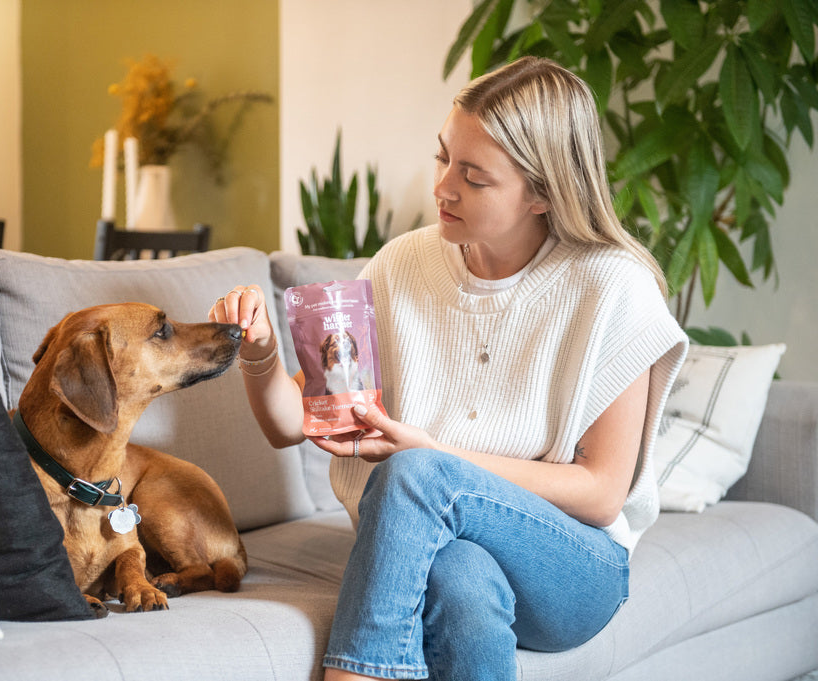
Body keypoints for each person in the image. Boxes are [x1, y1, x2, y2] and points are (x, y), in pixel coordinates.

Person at [210, 56, 687, 681]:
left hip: (573, 567)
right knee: (460, 581)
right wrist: (259, 350)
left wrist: (434, 458)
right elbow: (290, 423)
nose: (442, 187)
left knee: (418, 471)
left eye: (474, 177)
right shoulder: (401, 264)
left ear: (543, 192)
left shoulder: (612, 287)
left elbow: (600, 495)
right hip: (438, 550)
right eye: (442, 158)